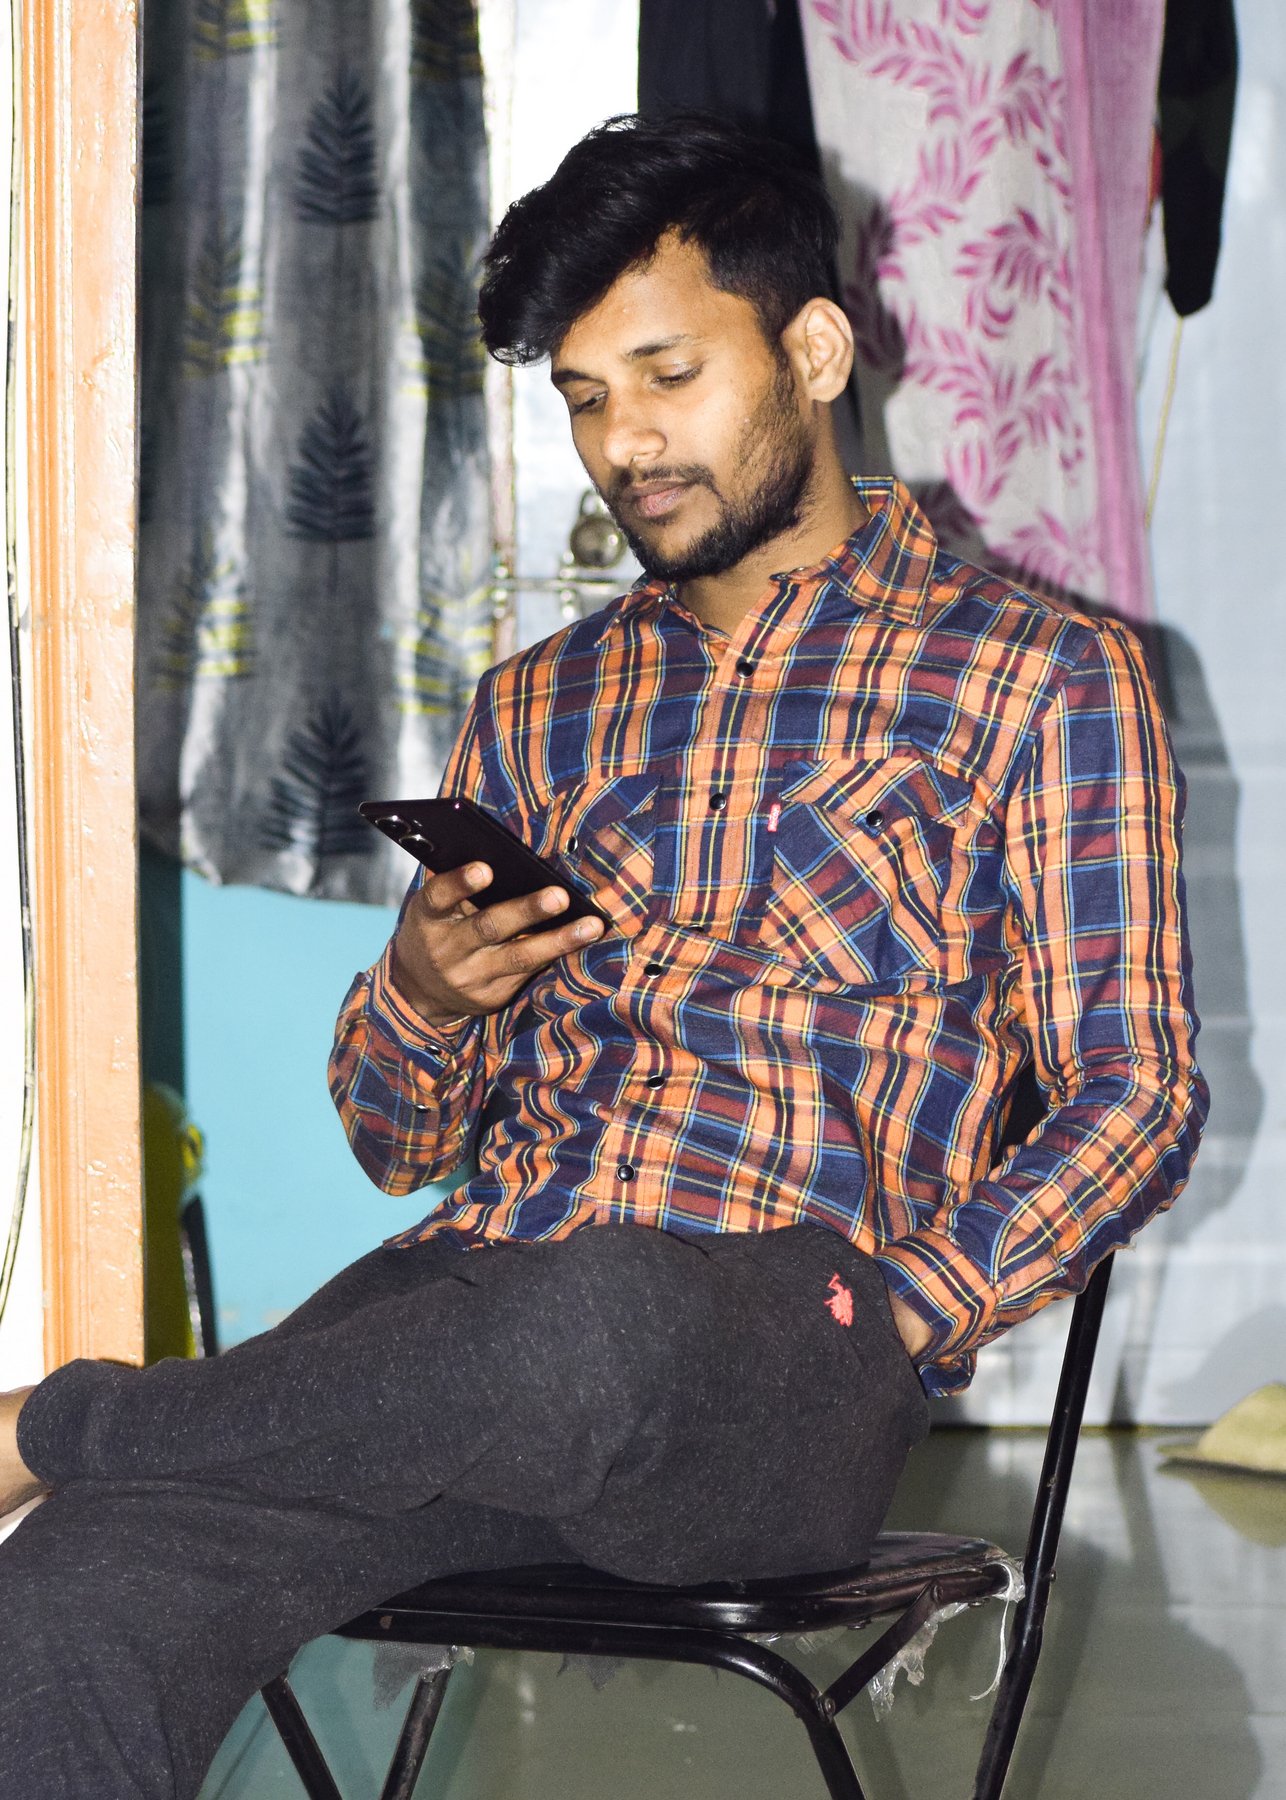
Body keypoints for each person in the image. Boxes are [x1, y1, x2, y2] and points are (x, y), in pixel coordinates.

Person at [0, 114, 1207, 1798]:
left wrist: (903, 1315)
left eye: (666, 376)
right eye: (581, 396)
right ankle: (100, 1461)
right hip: (469, 1333)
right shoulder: (538, 705)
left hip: (777, 1351)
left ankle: (47, 1427)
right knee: (77, 1586)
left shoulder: (1037, 678)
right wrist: (426, 996)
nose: (622, 442)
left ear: (812, 351)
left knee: (597, 1315)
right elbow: (396, 1147)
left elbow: (1135, 1094)